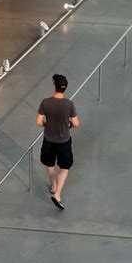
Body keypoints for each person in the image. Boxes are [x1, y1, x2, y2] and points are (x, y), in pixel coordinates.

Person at [37, 74, 79, 210]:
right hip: (64, 141)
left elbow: (39, 122)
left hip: (49, 139)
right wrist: (68, 126)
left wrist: (47, 125)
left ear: (54, 86)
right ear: (65, 88)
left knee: (50, 164)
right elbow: (76, 123)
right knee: (65, 167)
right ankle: (58, 195)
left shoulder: (45, 102)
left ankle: (53, 185)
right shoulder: (69, 104)